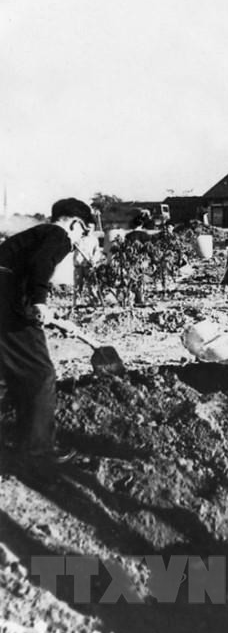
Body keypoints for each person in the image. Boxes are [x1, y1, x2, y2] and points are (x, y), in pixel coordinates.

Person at [0, 197, 93, 465]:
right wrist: (39, 302)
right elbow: (41, 264)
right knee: (40, 373)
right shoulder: (58, 234)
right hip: (7, 305)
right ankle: (38, 451)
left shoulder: (32, 235)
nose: (79, 240)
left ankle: (22, 441)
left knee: (10, 373)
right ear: (75, 223)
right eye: (83, 232)